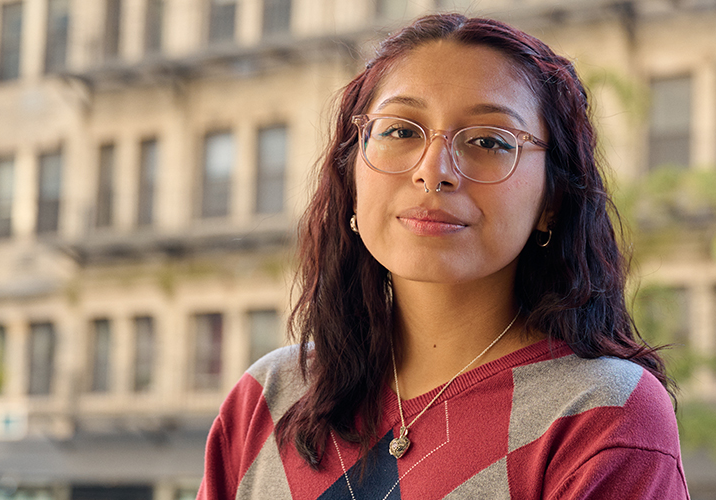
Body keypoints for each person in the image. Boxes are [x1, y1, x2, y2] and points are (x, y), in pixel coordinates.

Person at [198, 13, 689, 499]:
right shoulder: (267, 399)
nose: (434, 172)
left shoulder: (601, 415)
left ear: (551, 202)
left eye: (488, 141)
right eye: (400, 131)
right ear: (351, 178)